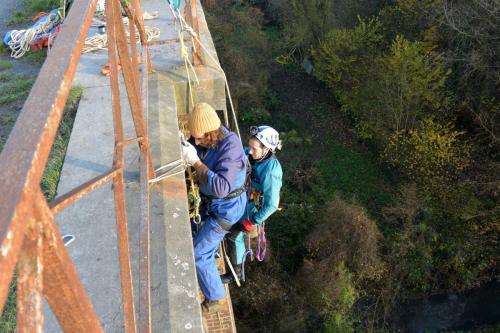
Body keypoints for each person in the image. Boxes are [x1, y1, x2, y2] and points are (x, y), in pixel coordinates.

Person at [180, 102, 247, 313]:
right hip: (214, 204)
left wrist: (196, 162)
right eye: (195, 137)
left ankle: (216, 297)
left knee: (199, 254)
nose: (196, 141)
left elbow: (220, 187)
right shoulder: (208, 138)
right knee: (198, 239)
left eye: (200, 138)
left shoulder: (231, 148)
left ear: (213, 133)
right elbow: (195, 142)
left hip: (227, 209)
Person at [221, 125, 283, 284]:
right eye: (250, 146)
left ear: (267, 149)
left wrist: (252, 221)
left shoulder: (271, 170)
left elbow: (272, 205)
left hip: (250, 209)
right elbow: (239, 152)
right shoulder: (256, 156)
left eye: (254, 149)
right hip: (241, 197)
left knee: (234, 236)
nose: (250, 151)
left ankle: (235, 274)